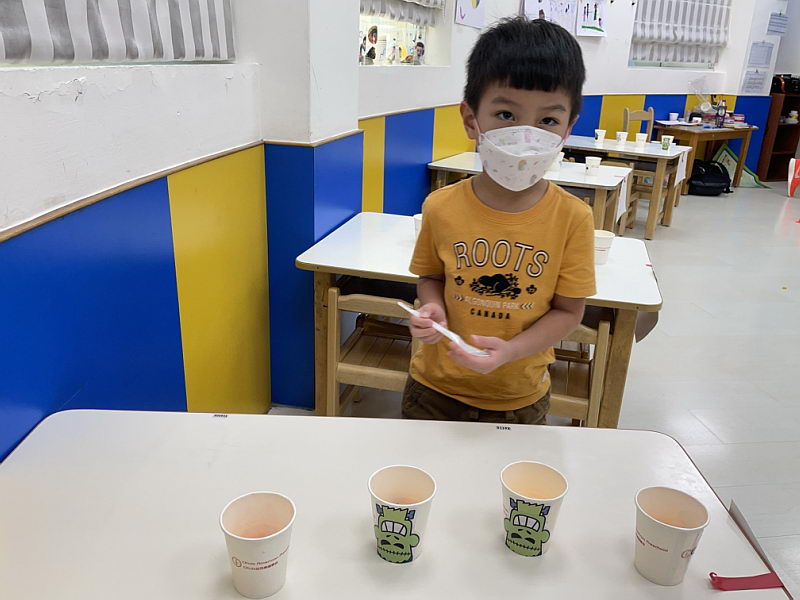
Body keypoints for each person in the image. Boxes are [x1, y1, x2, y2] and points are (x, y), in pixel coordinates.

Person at [403, 17, 595, 424]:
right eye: (506, 113)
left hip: (519, 397)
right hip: (434, 389)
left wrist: (510, 352)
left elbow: (568, 312)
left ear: (568, 128)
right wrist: (432, 307)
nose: (526, 137)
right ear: (471, 119)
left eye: (548, 121)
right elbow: (431, 277)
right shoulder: (440, 206)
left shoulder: (573, 217)